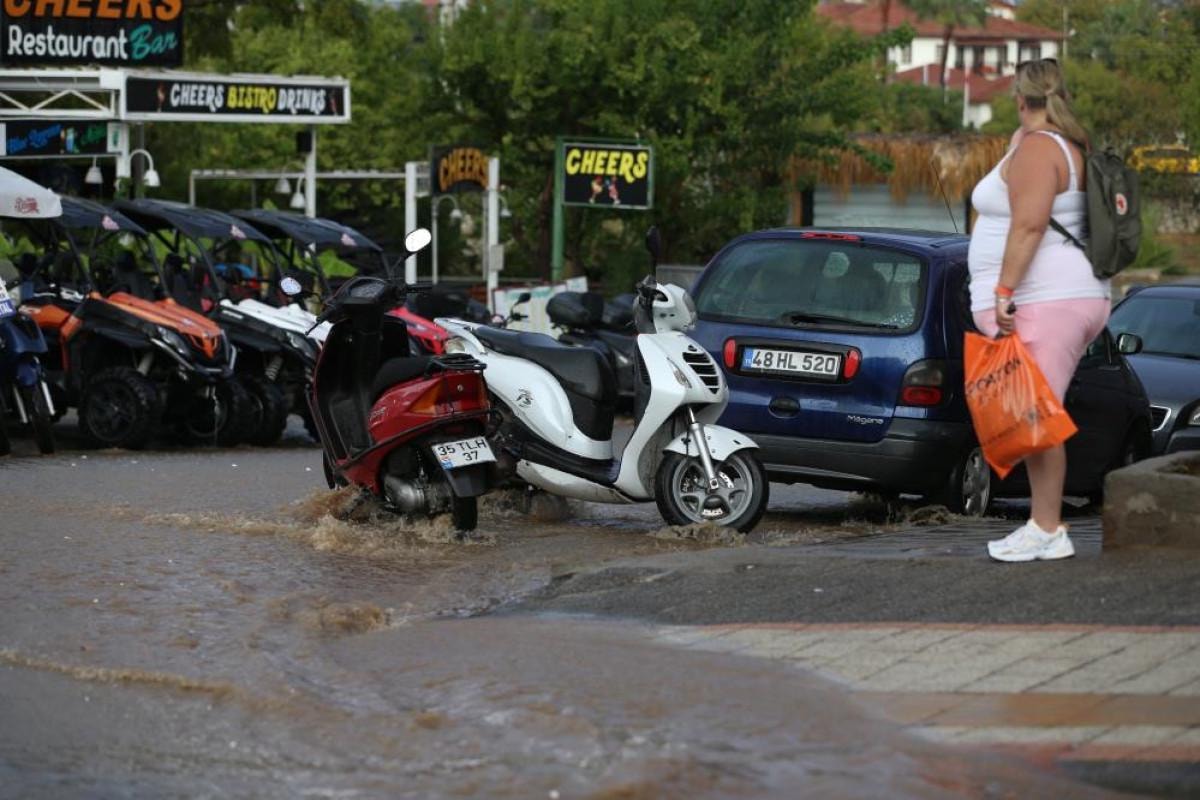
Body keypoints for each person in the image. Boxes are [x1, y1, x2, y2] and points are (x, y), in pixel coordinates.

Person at [966, 58, 1111, 563]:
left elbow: (1028, 225)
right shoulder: (1052, 144)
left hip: (1047, 299)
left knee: (1037, 415)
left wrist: (1004, 289)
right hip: (1061, 297)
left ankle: (1047, 528)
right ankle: (1042, 526)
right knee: (1031, 413)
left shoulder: (1040, 148)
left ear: (1018, 98)